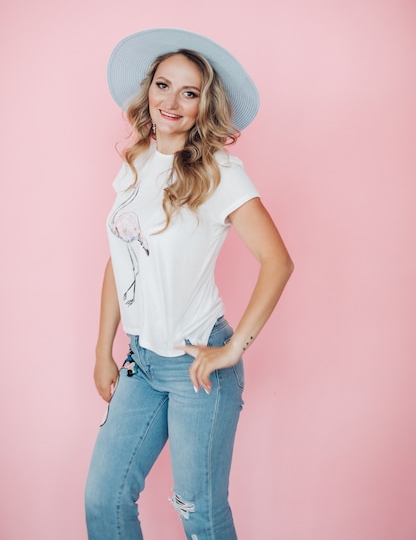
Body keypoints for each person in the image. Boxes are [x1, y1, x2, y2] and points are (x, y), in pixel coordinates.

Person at [84, 28, 294, 540]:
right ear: (148, 91)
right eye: (163, 85)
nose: (171, 101)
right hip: (140, 362)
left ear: (205, 106)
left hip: (196, 368)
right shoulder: (134, 163)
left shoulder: (220, 172)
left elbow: (278, 262)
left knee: (197, 511)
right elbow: (120, 259)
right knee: (103, 500)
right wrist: (103, 349)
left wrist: (230, 351)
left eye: (190, 92)